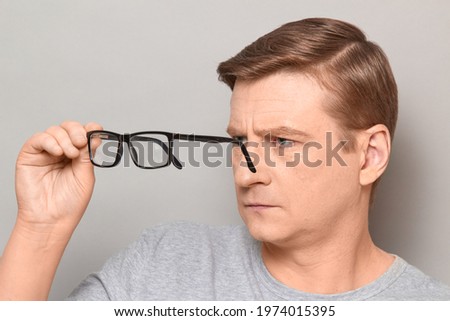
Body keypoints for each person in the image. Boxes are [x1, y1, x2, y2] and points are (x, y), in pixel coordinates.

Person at [1, 17, 449, 300]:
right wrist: (41, 230)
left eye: (283, 143)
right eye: (239, 142)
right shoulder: (164, 264)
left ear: (370, 155)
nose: (245, 174)